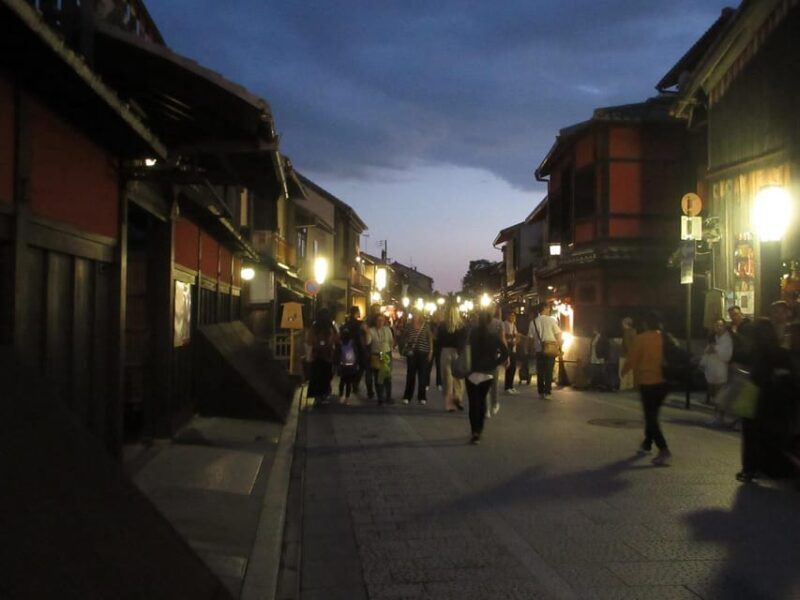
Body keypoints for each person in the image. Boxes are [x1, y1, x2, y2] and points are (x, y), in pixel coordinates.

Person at [738, 318, 792, 482]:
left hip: (752, 392)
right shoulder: (778, 352)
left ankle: (749, 468)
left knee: (749, 432)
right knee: (764, 431)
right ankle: (761, 467)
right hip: (770, 396)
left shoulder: (755, 350)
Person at [621, 311, 671, 466]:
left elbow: (632, 359)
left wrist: (624, 372)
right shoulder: (665, 337)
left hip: (648, 381)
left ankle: (663, 449)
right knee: (653, 414)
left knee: (650, 418)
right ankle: (647, 443)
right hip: (665, 381)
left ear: (646, 324)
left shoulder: (641, 339)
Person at [465, 310, 509, 444]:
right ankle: (480, 429)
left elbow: (463, 348)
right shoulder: (493, 337)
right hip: (488, 373)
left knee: (473, 403)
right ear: (490, 321)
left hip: (472, 371)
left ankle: (475, 432)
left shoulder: (471, 335)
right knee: (482, 400)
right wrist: (494, 363)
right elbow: (504, 353)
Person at [701, 318, 733, 427]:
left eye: (720, 325)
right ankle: (716, 416)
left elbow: (727, 355)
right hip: (712, 368)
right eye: (716, 325)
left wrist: (716, 349)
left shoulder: (727, 339)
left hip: (721, 369)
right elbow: (707, 351)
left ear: (724, 326)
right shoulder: (713, 338)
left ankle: (720, 417)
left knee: (720, 394)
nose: (718, 328)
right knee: (714, 394)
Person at [438, 303, 468, 412]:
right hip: (457, 352)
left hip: (445, 351)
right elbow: (464, 342)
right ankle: (458, 397)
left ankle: (449, 404)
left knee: (447, 379)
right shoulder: (462, 326)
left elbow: (439, 341)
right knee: (458, 378)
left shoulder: (442, 325)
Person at [306, 308, 338, 405]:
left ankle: (317, 395)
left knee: (316, 376)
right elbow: (336, 339)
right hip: (327, 355)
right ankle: (324, 394)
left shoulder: (315, 327)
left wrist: (309, 355)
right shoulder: (331, 327)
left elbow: (309, 341)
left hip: (316, 355)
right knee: (326, 375)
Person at [529, 302, 561, 399]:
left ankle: (541, 392)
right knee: (548, 371)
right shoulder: (551, 321)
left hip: (539, 349)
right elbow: (558, 334)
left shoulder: (533, 322)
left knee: (540, 371)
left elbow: (530, 337)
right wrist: (558, 345)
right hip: (550, 349)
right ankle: (547, 392)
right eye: (548, 308)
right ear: (544, 308)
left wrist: (530, 348)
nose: (549, 310)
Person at [400, 311, 433, 405]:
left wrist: (431, 351)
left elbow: (430, 338)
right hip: (412, 353)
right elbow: (403, 337)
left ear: (420, 316)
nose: (415, 316)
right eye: (414, 314)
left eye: (417, 314)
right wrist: (407, 340)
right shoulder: (408, 326)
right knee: (410, 375)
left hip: (423, 352)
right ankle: (407, 396)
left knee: (422, 376)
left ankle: (422, 396)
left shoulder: (425, 326)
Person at [366, 313, 394, 405]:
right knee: (378, 377)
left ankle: (388, 397)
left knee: (387, 377)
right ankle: (380, 397)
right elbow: (368, 342)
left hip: (385, 354)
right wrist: (367, 332)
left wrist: (389, 351)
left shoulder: (387, 330)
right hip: (376, 354)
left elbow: (391, 341)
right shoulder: (371, 330)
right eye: (378, 320)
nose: (380, 322)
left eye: (382, 320)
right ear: (375, 321)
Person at [486, 306, 506, 416]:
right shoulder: (499, 323)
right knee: (493, 381)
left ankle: (486, 408)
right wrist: (506, 355)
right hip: (494, 354)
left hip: (481, 354)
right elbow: (502, 339)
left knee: (483, 380)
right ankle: (494, 404)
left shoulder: (478, 322)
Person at [336, 329, 359, 405]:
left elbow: (337, 355)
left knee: (342, 382)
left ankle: (340, 396)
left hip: (343, 365)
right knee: (349, 383)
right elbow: (356, 353)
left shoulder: (340, 344)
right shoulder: (352, 343)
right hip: (351, 366)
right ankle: (347, 398)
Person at [588, 325, 610, 391]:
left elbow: (605, 347)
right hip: (594, 356)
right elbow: (592, 346)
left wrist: (605, 356)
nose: (593, 331)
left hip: (600, 356)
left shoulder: (602, 337)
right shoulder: (594, 337)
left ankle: (603, 385)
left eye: (594, 330)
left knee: (601, 371)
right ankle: (595, 384)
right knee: (594, 370)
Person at [503, 311, 520, 395]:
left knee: (513, 368)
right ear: (507, 316)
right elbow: (504, 336)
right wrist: (512, 337)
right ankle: (507, 386)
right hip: (507, 348)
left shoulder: (514, 325)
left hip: (513, 348)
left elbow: (517, 336)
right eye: (511, 316)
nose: (513, 318)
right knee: (509, 367)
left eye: (514, 316)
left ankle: (511, 386)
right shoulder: (504, 324)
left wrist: (516, 341)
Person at [618, 317, 637, 391]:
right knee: (630, 372)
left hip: (624, 355)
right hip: (632, 355)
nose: (622, 325)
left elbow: (627, 344)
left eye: (623, 323)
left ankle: (623, 387)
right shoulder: (634, 332)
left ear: (626, 324)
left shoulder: (626, 333)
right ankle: (630, 386)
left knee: (623, 371)